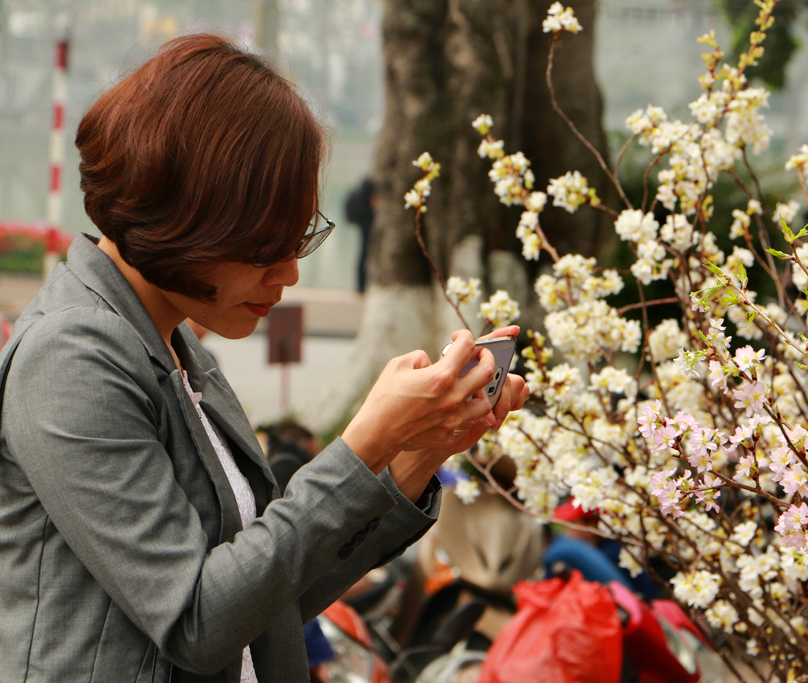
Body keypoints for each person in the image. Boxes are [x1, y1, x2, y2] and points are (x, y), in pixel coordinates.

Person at [0, 34, 528, 683]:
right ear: (184, 216)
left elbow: (264, 599)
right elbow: (195, 621)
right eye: (262, 248)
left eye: (298, 239)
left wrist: (420, 453)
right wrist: (365, 442)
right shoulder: (71, 357)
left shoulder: (174, 345)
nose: (287, 275)